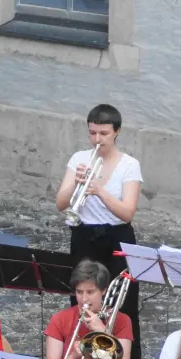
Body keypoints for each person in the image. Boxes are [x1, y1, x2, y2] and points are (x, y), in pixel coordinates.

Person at [55, 104, 143, 342]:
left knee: (122, 303)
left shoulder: (130, 165)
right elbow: (61, 203)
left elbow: (127, 213)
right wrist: (76, 182)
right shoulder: (79, 159)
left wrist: (99, 191)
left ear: (117, 132)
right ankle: (83, 353)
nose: (97, 139)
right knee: (82, 299)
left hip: (117, 237)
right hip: (84, 235)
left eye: (103, 133)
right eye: (93, 133)